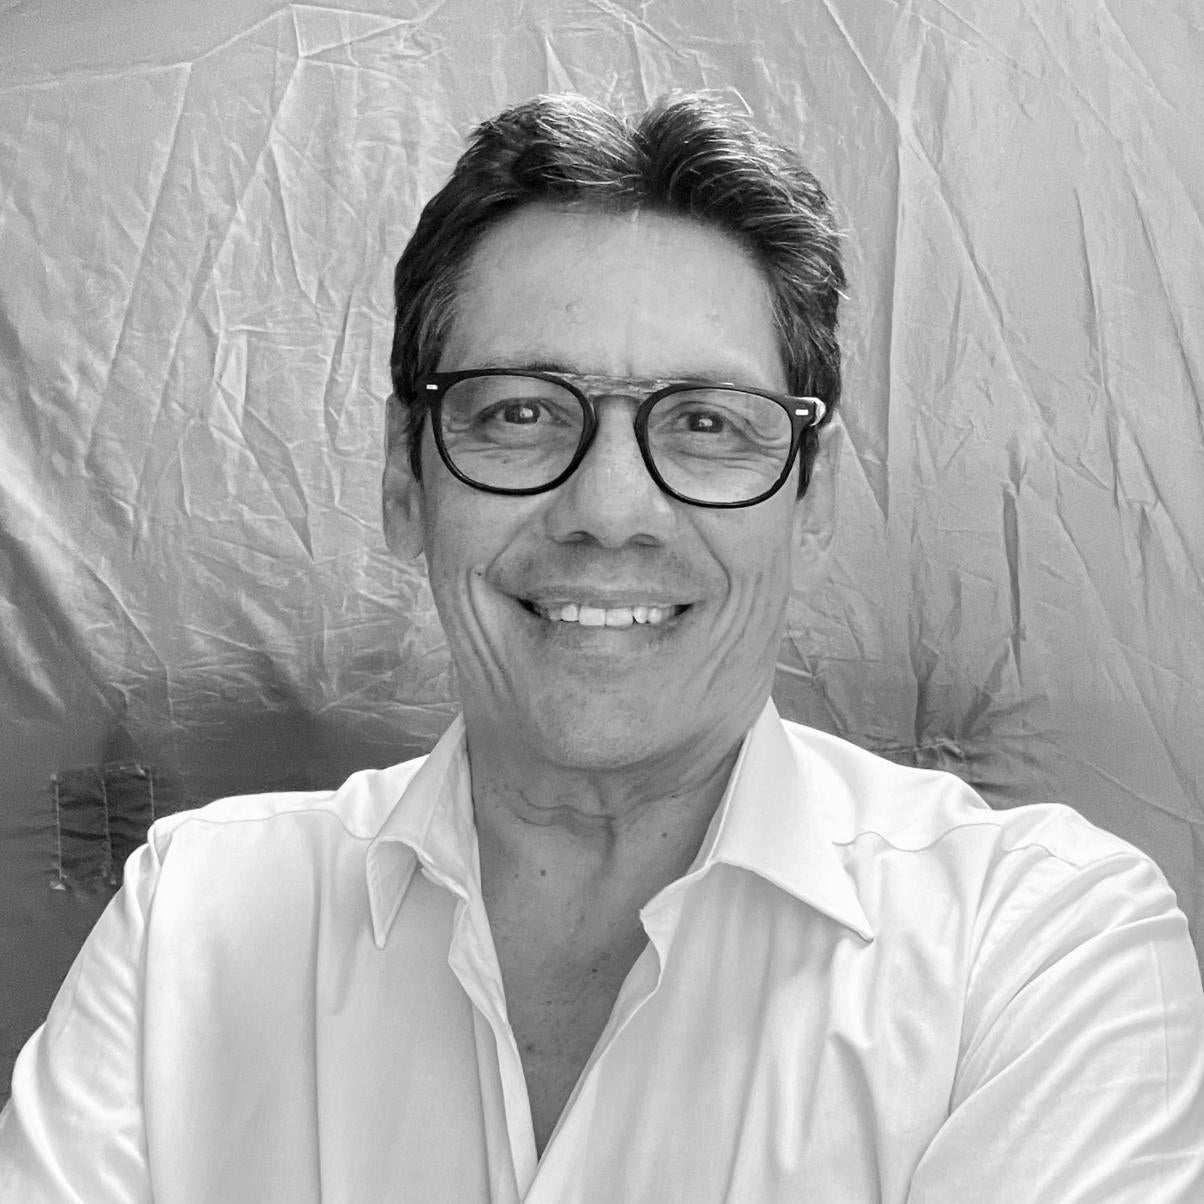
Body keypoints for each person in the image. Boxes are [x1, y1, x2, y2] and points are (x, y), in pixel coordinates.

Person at [2, 92, 1202, 1204]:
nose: (612, 508)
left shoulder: (1039, 948)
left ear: (811, 495)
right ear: (402, 482)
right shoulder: (188, 921)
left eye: (707, 423)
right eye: (520, 412)